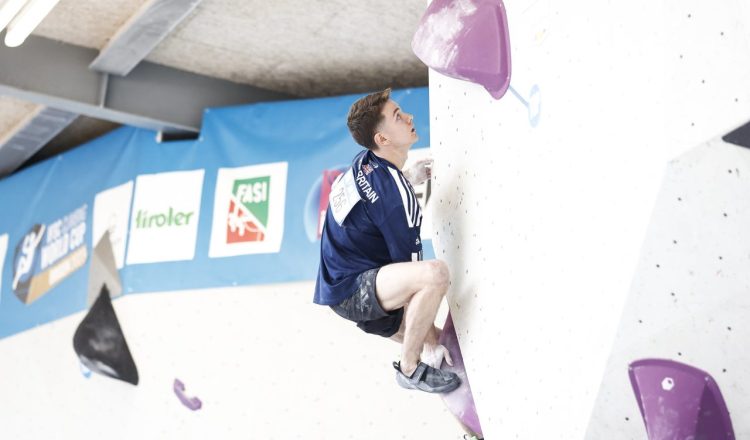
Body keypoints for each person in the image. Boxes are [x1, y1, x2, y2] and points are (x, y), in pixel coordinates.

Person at [314, 88, 460, 393]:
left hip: (338, 282)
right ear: (382, 139)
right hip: (354, 286)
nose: (409, 117)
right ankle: (409, 368)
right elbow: (415, 279)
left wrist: (406, 177)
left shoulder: (364, 161)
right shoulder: (398, 201)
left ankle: (419, 347)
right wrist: (429, 344)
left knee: (418, 322)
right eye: (397, 116)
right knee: (435, 275)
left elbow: (377, 199)